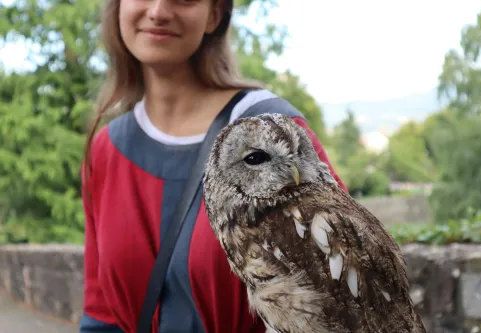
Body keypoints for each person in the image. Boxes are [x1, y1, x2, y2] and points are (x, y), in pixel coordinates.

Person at [80, 0, 348, 332]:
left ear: (214, 15)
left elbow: (348, 294)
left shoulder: (273, 137)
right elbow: (102, 314)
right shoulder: (106, 150)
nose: (159, 11)